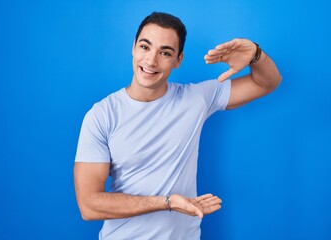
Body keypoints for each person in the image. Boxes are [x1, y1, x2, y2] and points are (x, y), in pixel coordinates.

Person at [74, 12, 281, 240]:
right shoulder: (101, 115)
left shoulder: (196, 98)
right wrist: (167, 202)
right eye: (145, 47)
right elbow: (89, 205)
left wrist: (256, 55)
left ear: (178, 60)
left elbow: (267, 82)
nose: (151, 61)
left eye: (165, 52)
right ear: (133, 47)